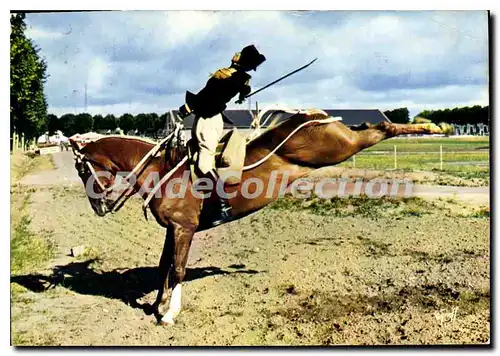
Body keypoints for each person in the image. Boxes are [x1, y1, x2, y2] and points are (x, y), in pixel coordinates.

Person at [178, 45, 266, 225]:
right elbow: (243, 90)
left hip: (208, 119)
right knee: (199, 159)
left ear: (239, 59)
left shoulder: (226, 76)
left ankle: (223, 205)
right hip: (209, 118)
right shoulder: (240, 78)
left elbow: (207, 96)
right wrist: (242, 96)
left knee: (204, 163)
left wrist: (188, 108)